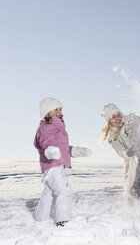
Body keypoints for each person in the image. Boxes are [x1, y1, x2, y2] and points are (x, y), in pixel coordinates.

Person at [34, 97, 92, 226]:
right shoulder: (47, 127)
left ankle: (41, 217)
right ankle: (63, 221)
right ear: (47, 112)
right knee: (64, 191)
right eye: (56, 109)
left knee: (49, 192)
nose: (59, 111)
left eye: (60, 109)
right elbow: (47, 141)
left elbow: (63, 148)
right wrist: (51, 149)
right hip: (53, 165)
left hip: (54, 165)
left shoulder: (58, 127)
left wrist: (77, 151)